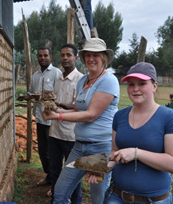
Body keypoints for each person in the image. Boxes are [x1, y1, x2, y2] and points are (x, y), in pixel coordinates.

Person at [96, 62, 173, 204]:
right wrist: (100, 169)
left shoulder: (170, 118)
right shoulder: (119, 116)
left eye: (142, 83)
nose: (135, 89)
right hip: (117, 196)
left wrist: (137, 153)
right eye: (131, 84)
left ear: (154, 86)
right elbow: (115, 154)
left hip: (154, 200)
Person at [42, 38, 119, 204]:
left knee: (98, 198)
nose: (91, 59)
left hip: (99, 149)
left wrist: (58, 116)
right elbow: (78, 110)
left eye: (96, 55)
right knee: (60, 192)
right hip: (79, 147)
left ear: (104, 58)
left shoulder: (108, 81)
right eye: (88, 55)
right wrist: (58, 110)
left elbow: (91, 114)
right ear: (83, 58)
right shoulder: (83, 81)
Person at [47, 44, 83, 202]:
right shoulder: (59, 78)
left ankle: (76, 201)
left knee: (74, 173)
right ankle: (56, 199)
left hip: (71, 135)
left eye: (69, 55)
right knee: (54, 170)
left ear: (76, 58)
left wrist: (58, 104)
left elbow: (79, 108)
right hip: (55, 132)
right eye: (62, 55)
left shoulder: (80, 79)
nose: (65, 58)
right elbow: (55, 102)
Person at [25, 47, 62, 186]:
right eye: (40, 56)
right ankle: (49, 176)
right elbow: (30, 92)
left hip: (52, 120)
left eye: (45, 55)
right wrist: (27, 96)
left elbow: (59, 94)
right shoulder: (35, 75)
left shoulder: (56, 73)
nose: (42, 58)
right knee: (42, 151)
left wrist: (45, 94)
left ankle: (56, 182)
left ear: (50, 57)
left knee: (52, 152)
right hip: (40, 118)